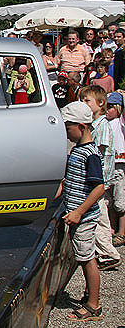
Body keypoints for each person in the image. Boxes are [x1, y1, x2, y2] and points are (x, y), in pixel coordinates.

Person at [56, 101, 105, 322]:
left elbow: (99, 188)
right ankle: (89, 294)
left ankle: (93, 305)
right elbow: (69, 181)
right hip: (77, 214)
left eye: (69, 128)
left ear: (82, 126)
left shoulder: (90, 154)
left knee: (87, 258)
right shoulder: (78, 150)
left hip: (84, 217)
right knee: (83, 256)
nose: (67, 133)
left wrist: (78, 212)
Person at [78, 85, 121, 271]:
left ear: (100, 103)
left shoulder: (102, 126)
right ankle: (106, 251)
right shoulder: (95, 125)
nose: (83, 104)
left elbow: (98, 154)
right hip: (99, 181)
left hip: (99, 181)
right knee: (100, 217)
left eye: (87, 101)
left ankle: (109, 253)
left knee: (99, 217)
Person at [104, 92, 125, 248]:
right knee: (109, 200)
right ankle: (111, 227)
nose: (108, 109)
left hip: (119, 165)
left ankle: (122, 231)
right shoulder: (104, 122)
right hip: (108, 165)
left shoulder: (120, 123)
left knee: (120, 201)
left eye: (111, 107)